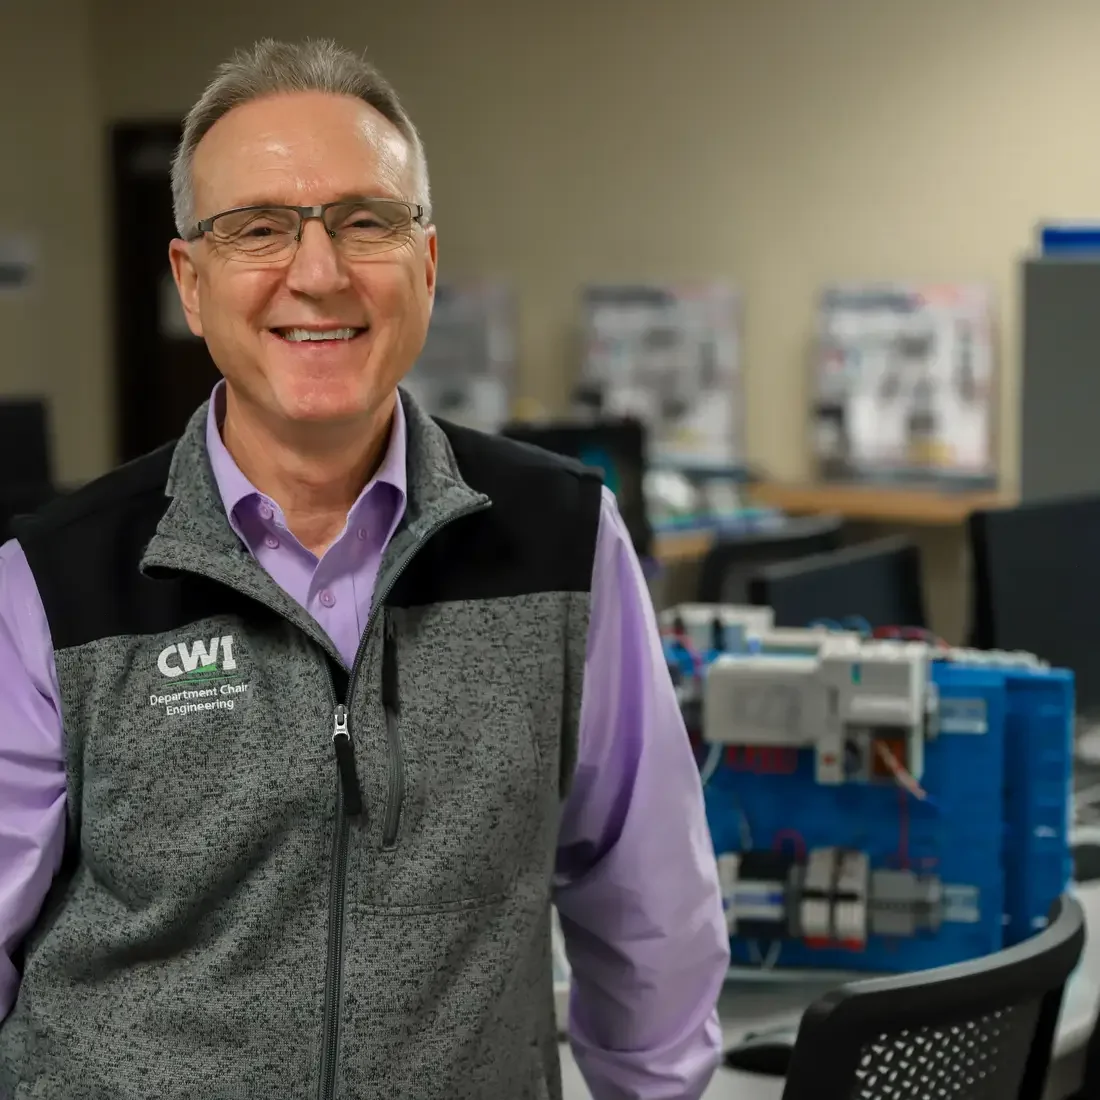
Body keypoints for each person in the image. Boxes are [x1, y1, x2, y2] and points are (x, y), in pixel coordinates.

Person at [0, 38, 728, 1100]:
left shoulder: (564, 541)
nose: (318, 272)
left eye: (365, 220)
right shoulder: (54, 582)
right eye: (256, 228)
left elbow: (648, 903)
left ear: (425, 264)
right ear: (191, 283)